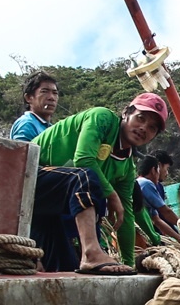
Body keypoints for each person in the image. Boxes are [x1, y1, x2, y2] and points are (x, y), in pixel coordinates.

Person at [34, 94, 167, 274]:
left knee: (66, 266)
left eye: (152, 128)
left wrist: (128, 263)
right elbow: (83, 159)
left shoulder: (127, 167)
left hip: (47, 208)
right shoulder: (102, 118)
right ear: (126, 113)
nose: (143, 128)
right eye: (140, 118)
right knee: (86, 177)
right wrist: (111, 195)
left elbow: (125, 214)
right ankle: (91, 253)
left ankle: (89, 255)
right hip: (28, 179)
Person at [136, 154, 180, 241]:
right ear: (154, 170)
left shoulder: (139, 183)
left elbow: (157, 220)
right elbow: (166, 212)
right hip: (141, 237)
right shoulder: (146, 183)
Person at [9, 71, 59, 142]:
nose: (51, 97)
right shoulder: (27, 124)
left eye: (55, 93)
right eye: (44, 91)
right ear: (28, 98)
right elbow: (22, 152)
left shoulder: (51, 128)